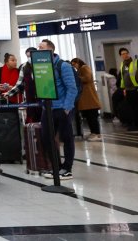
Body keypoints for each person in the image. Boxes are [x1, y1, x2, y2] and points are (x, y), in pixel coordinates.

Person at [36, 40, 78, 180]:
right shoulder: (42, 66)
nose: (38, 49)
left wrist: (67, 108)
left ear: (50, 50)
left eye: (41, 47)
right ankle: (56, 167)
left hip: (62, 108)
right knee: (46, 138)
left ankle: (67, 168)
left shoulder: (63, 66)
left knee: (67, 138)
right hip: (48, 108)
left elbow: (72, 88)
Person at [71, 58, 103, 141]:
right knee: (89, 117)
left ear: (78, 63)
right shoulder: (80, 69)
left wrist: (76, 78)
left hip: (89, 98)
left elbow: (87, 78)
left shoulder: (84, 68)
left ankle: (96, 133)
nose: (74, 67)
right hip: (86, 98)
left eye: (74, 65)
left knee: (92, 117)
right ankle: (93, 132)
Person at [117, 47, 138, 130]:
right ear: (120, 56)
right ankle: (133, 123)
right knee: (131, 107)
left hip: (135, 88)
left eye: (126, 53)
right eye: (122, 54)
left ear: (128, 53)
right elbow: (122, 77)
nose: (125, 55)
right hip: (127, 89)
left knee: (136, 107)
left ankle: (137, 124)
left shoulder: (135, 62)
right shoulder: (122, 64)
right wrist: (123, 88)